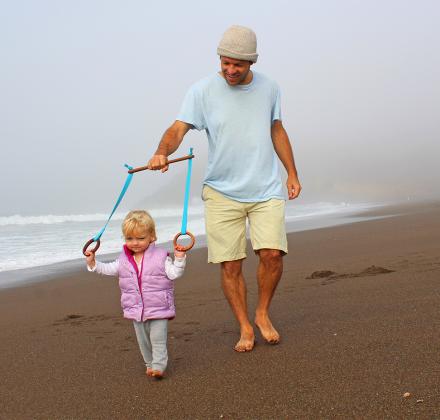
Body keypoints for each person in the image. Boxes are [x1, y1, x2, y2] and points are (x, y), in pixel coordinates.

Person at [147, 25, 301, 352]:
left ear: (252, 63)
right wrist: (162, 151)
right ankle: (245, 326)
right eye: (225, 63)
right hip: (221, 192)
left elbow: (277, 129)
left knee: (272, 255)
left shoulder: (270, 88)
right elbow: (178, 129)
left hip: (266, 188)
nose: (230, 70)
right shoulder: (201, 91)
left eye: (238, 65)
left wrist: (292, 173)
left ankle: (262, 313)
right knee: (231, 264)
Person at [84, 210, 186, 378]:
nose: (135, 243)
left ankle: (159, 367)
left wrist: (180, 259)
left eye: (140, 238)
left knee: (157, 339)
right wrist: (93, 262)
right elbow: (108, 269)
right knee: (143, 340)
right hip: (135, 308)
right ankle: (149, 363)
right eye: (130, 238)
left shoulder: (161, 257)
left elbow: (174, 273)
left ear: (152, 237)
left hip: (159, 306)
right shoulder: (123, 259)